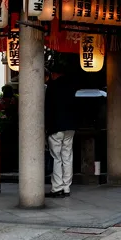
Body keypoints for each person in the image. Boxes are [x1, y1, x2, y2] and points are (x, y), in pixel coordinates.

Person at [44, 68, 76, 198]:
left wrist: (46, 127)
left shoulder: (52, 87)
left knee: (56, 157)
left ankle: (57, 187)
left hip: (56, 127)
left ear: (54, 73)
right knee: (67, 156)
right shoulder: (72, 86)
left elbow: (48, 109)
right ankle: (67, 187)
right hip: (70, 127)